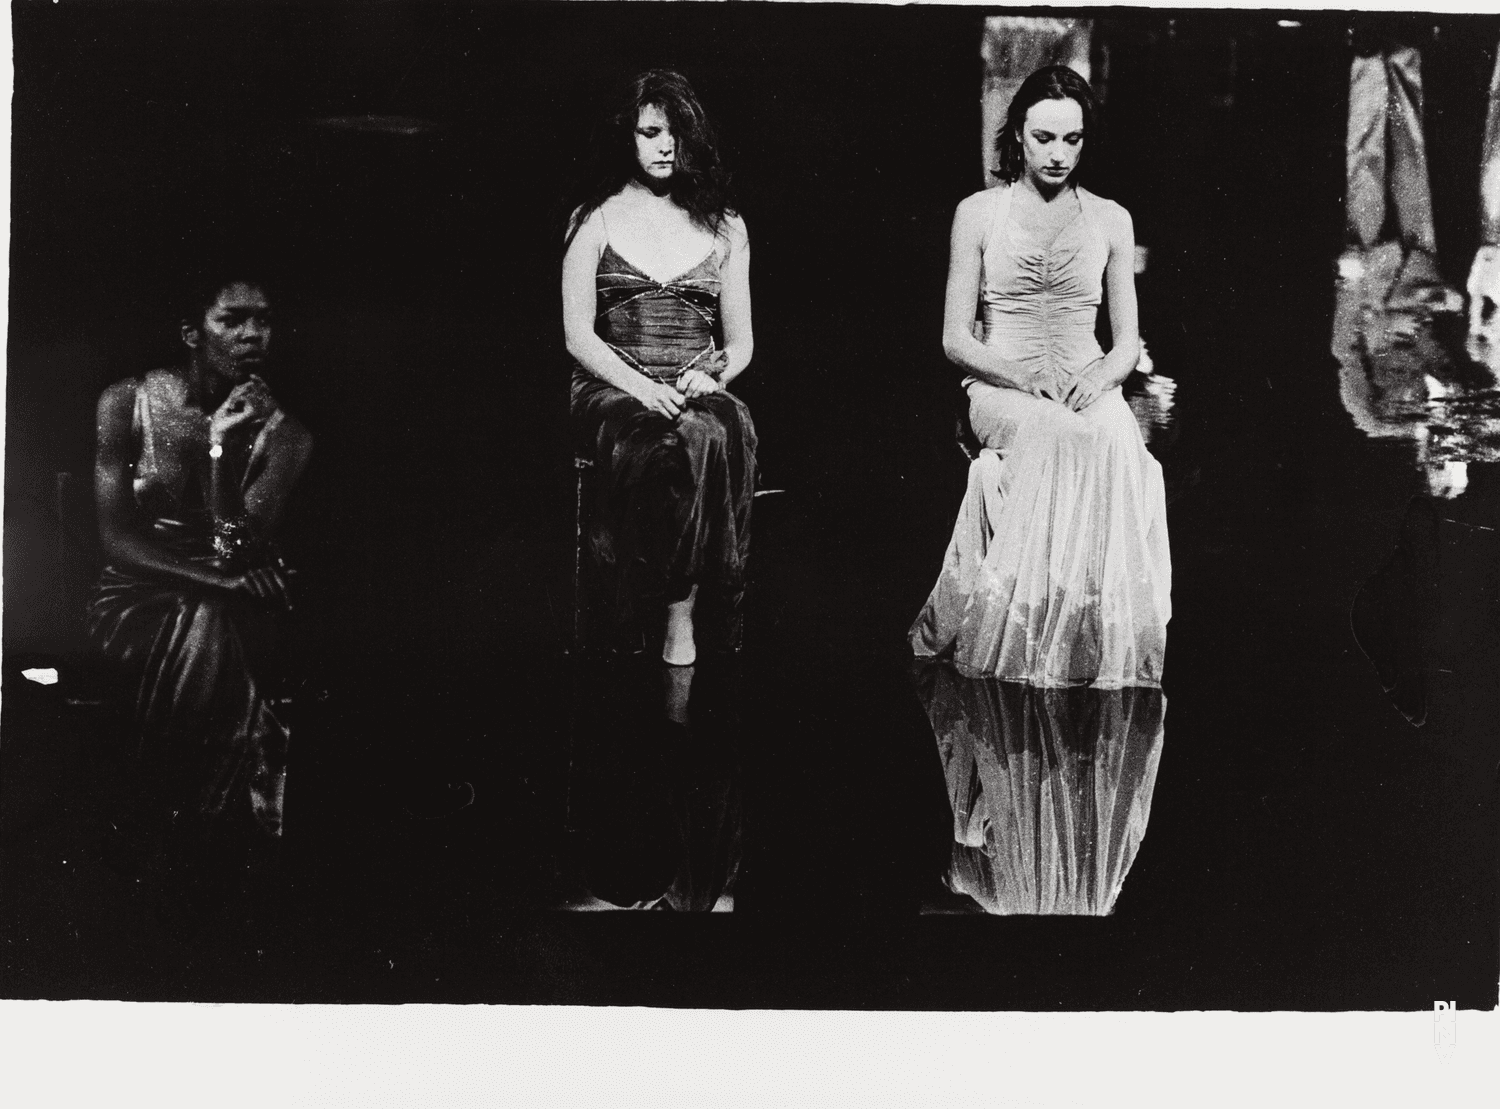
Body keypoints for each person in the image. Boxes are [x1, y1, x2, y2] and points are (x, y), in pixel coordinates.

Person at [909, 65, 1170, 688]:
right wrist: (1022, 378)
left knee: (1116, 442)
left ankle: (1088, 643)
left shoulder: (1111, 218)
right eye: (1045, 137)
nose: (1058, 154)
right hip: (1001, 387)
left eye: (1072, 140)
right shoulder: (978, 212)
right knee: (1062, 436)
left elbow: (1127, 341)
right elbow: (954, 338)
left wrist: (1105, 375)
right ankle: (1032, 638)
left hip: (1087, 377)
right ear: (1018, 135)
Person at [89, 272, 312, 869]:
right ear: (191, 332)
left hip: (231, 598)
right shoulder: (125, 402)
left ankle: (166, 827)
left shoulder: (286, 435)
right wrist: (223, 582)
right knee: (216, 615)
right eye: (231, 320)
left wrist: (219, 451)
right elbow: (117, 541)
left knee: (217, 618)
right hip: (136, 596)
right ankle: (202, 831)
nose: (252, 335)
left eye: (262, 320)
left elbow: (236, 547)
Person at [562, 70, 757, 667]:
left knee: (710, 430)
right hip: (612, 385)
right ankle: (635, 605)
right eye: (651, 132)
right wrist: (645, 389)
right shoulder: (593, 219)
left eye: (676, 133)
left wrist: (713, 377)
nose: (665, 146)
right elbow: (576, 335)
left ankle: (681, 615)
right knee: (654, 447)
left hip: (695, 383)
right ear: (630, 137)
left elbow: (743, 343)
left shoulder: (726, 226)